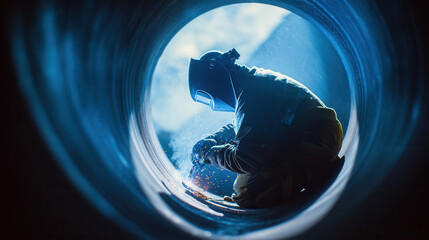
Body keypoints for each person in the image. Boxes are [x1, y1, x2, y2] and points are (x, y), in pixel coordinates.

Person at [189, 49, 343, 209]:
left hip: (317, 142)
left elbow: (244, 160)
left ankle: (316, 174)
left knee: (248, 192)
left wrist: (210, 154)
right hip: (315, 136)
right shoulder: (250, 84)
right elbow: (245, 128)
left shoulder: (251, 94)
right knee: (246, 180)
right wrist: (213, 140)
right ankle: (312, 170)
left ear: (216, 80)